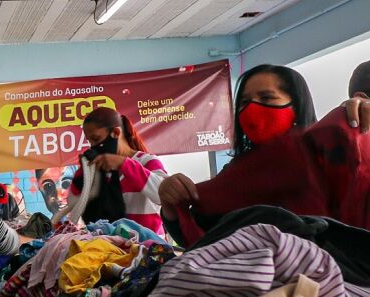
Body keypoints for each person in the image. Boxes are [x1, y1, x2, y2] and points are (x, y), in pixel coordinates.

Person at [159, 64, 370, 245]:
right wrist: (171, 205)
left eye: (266, 98)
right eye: (244, 102)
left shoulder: (331, 155)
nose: (252, 108)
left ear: (297, 104)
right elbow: (202, 235)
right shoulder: (233, 176)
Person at [58, 107, 167, 235]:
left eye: (96, 139)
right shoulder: (102, 170)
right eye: (90, 141)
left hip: (148, 248)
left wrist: (124, 164)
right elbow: (74, 207)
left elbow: (164, 195)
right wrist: (81, 176)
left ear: (115, 132)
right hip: (114, 249)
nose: (93, 146)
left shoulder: (147, 161)